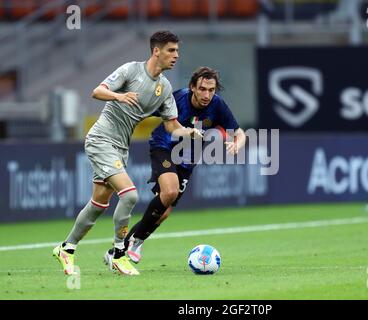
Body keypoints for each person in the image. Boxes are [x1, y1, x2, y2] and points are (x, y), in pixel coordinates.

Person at [52, 30, 202, 276]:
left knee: (98, 204)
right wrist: (119, 96)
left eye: (177, 50)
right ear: (157, 51)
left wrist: (191, 133)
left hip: (121, 147)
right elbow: (97, 91)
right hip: (101, 139)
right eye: (171, 50)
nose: (176, 55)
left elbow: (172, 126)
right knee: (130, 196)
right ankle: (119, 254)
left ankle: (66, 249)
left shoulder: (164, 88)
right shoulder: (131, 70)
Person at [117, 66, 246, 263]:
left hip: (188, 159)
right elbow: (148, 107)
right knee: (170, 192)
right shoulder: (178, 98)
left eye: (211, 90)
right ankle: (137, 240)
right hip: (164, 146)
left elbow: (239, 133)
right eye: (202, 89)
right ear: (192, 87)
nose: (207, 94)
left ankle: (123, 246)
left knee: (164, 212)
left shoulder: (217, 105)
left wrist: (237, 144)